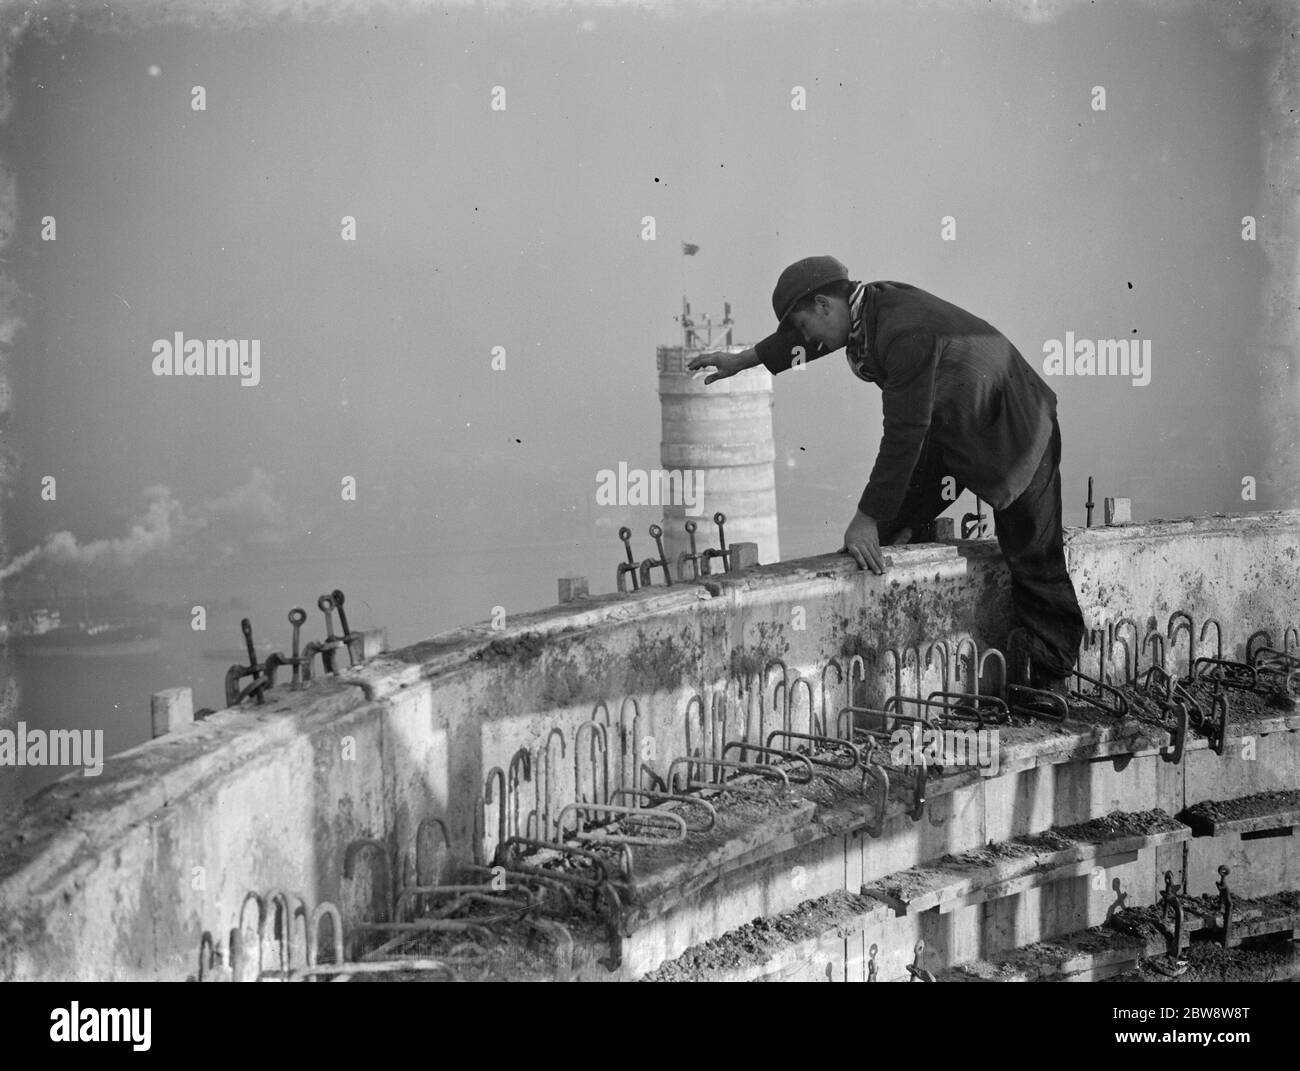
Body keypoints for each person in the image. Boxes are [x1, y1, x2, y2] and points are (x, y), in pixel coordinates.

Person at [686, 255, 1085, 692]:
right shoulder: (867, 307)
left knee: (1033, 554)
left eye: (803, 326)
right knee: (896, 523)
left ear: (823, 305)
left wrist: (866, 517)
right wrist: (743, 361)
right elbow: (817, 341)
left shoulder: (902, 332)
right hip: (959, 430)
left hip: (1021, 428)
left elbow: (904, 434)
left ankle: (1050, 681)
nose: (807, 341)